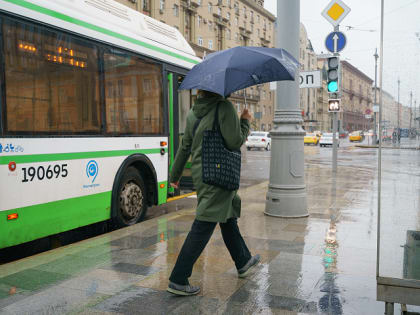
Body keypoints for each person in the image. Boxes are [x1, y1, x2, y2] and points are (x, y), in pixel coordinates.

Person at [167, 90, 260, 296]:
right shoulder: (224, 107)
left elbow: (185, 147)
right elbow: (234, 141)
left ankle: (243, 260)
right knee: (204, 223)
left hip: (204, 174)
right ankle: (178, 279)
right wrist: (245, 122)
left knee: (227, 218)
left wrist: (174, 175)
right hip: (219, 175)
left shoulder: (194, 112)